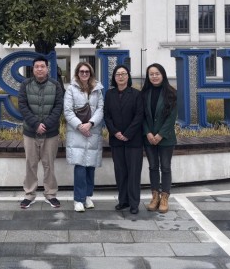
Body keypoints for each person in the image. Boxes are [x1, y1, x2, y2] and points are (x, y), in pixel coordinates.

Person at [18, 56, 64, 209]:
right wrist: (36, 124)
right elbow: (22, 106)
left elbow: (58, 106)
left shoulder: (55, 85)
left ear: (47, 69)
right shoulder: (25, 85)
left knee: (49, 165)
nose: (39, 69)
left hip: (50, 133)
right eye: (36, 66)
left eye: (42, 66)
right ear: (33, 69)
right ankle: (29, 195)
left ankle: (50, 194)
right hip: (30, 132)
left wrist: (46, 124)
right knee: (30, 164)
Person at [63, 62, 104, 213]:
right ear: (77, 73)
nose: (85, 74)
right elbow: (67, 111)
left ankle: (87, 196)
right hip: (77, 133)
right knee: (80, 167)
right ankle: (78, 199)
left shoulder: (97, 89)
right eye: (82, 71)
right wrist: (80, 126)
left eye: (87, 71)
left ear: (91, 73)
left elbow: (100, 109)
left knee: (90, 167)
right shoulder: (71, 89)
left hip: (93, 131)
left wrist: (91, 123)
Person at [103, 64, 144, 214]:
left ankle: (134, 203)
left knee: (133, 173)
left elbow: (139, 116)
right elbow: (107, 116)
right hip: (116, 140)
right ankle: (123, 201)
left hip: (134, 140)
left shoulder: (136, 94)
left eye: (123, 74)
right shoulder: (109, 94)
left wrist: (127, 133)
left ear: (128, 76)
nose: (120, 76)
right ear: (114, 78)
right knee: (120, 172)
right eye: (118, 74)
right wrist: (115, 132)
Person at [141, 63, 177, 214]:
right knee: (153, 167)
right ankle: (155, 196)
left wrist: (160, 134)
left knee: (166, 167)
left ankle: (164, 198)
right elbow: (141, 115)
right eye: (151, 74)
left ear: (163, 75)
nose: (154, 76)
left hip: (166, 138)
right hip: (149, 138)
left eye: (157, 73)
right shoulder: (144, 93)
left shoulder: (171, 93)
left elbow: (171, 117)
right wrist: (148, 133)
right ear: (148, 76)